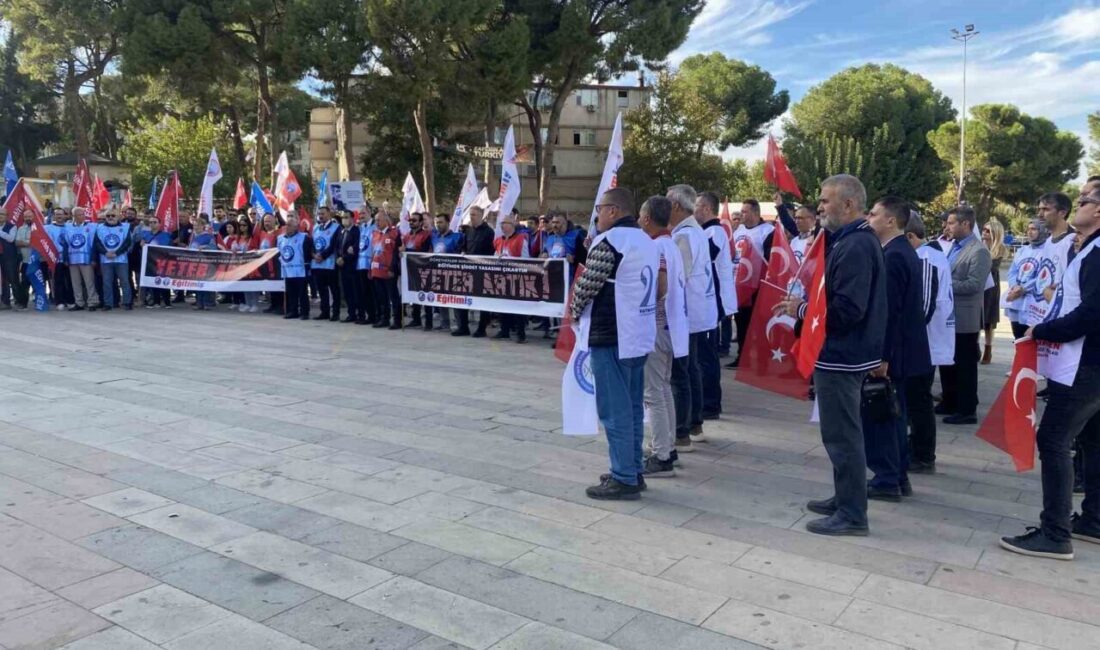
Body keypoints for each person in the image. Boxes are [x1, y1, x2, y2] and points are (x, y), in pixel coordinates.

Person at [777, 174, 886, 536]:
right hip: (839, 353)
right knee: (837, 433)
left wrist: (802, 309)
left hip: (844, 355)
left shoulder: (855, 245)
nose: (819, 207)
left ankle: (853, 514)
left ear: (849, 205)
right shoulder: (846, 241)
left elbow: (846, 310)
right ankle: (844, 497)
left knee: (843, 436)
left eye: (825, 201)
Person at [1001, 185, 1100, 561]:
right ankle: (1093, 519)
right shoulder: (1086, 248)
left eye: (1086, 201)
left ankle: (1055, 533)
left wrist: (1042, 331)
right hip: (1087, 362)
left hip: (1086, 365)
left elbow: (1091, 313)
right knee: (1093, 440)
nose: (1079, 204)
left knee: (1054, 441)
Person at [570, 187, 658, 500]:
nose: (596, 216)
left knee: (615, 410)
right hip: (638, 335)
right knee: (632, 408)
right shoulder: (647, 241)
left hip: (611, 335)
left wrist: (574, 313)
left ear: (612, 210)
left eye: (599, 209)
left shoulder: (610, 241)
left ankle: (624, 478)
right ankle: (631, 469)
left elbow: (586, 286)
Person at [863, 197, 932, 501]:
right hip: (905, 351)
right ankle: (898, 475)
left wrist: (882, 357)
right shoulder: (901, 251)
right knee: (895, 413)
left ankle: (887, 479)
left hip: (895, 353)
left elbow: (888, 312)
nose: (869, 217)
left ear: (891, 220)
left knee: (884, 416)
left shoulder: (893, 256)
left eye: (874, 214)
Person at [638, 196, 688, 477]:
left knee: (653, 393)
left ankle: (661, 456)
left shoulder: (654, 246)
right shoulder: (670, 244)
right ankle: (667, 445)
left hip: (657, 325)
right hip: (672, 325)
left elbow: (660, 285)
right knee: (663, 387)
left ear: (647, 219)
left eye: (640, 215)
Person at [667, 184, 715, 452]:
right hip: (698, 311)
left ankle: (681, 432)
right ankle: (694, 423)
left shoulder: (684, 235)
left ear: (675, 206)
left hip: (686, 313)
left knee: (680, 373)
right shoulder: (694, 231)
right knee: (691, 368)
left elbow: (678, 277)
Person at [905, 213, 953, 474]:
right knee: (916, 399)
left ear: (910, 236)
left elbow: (922, 309)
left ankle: (923, 455)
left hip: (922, 345)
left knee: (918, 400)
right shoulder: (930, 256)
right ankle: (919, 450)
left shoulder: (925, 258)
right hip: (923, 343)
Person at [936, 205, 993, 425]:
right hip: (949, 316)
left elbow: (974, 284)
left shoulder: (978, 251)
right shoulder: (953, 247)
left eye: (951, 223)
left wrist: (943, 284)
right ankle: (949, 400)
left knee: (965, 364)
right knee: (948, 361)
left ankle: (967, 408)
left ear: (965, 224)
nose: (947, 227)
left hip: (965, 318)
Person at [696, 190, 736, 420]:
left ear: (707, 209)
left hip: (714, 301)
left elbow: (704, 255)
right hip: (708, 300)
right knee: (703, 354)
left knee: (708, 355)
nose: (694, 210)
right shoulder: (705, 231)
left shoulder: (715, 232)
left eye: (697, 206)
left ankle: (711, 405)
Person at [729, 198, 774, 368]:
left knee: (758, 323)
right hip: (740, 284)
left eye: (745, 211)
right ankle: (743, 357)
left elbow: (771, 258)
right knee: (741, 321)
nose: (742, 215)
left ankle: (762, 361)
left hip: (758, 286)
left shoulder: (768, 231)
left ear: (755, 213)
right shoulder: (738, 230)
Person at [453, 205, 495, 337]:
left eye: (474, 214)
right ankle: (463, 327)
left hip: (482, 270)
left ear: (481, 215)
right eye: (470, 214)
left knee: (482, 301)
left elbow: (491, 251)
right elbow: (464, 247)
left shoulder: (489, 232)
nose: (471, 217)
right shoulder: (468, 231)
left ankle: (481, 328)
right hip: (467, 270)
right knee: (461, 298)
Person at [1004, 219, 1049, 339]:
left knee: (1030, 338)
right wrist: (1014, 286)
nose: (1030, 232)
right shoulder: (1022, 250)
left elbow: (1043, 275)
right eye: (1028, 229)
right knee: (1018, 337)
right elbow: (1012, 271)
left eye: (1034, 229)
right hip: (1016, 300)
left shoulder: (1048, 250)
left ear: (1042, 230)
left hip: (1033, 302)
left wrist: (1024, 288)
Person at [493, 213, 530, 343]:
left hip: (517, 278)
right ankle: (504, 331)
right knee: (503, 306)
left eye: (506, 223)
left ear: (513, 224)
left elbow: (526, 259)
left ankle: (521, 333)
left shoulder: (521, 239)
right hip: (502, 278)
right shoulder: (498, 240)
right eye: (502, 223)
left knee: (518, 307)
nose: (503, 226)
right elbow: (494, 256)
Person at [429, 212, 464, 331]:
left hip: (453, 273)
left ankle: (460, 325)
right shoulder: (434, 238)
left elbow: (462, 252)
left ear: (448, 223)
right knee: (441, 298)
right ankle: (445, 323)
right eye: (436, 222)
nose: (438, 225)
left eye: (440, 222)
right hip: (438, 273)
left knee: (455, 300)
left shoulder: (457, 237)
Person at [94, 211, 134, 311]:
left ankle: (127, 302)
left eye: (113, 215)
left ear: (119, 217)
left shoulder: (125, 226)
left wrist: (117, 253)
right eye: (108, 216)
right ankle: (108, 304)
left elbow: (128, 242)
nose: (110, 217)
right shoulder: (99, 227)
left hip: (121, 259)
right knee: (107, 282)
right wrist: (105, 252)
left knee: (124, 281)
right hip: (105, 259)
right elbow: (97, 242)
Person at [369, 209, 402, 329]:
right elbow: (374, 252)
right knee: (381, 297)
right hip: (376, 271)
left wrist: (392, 268)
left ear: (386, 221)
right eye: (376, 220)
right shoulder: (375, 234)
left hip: (389, 271)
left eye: (379, 220)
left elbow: (395, 253)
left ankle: (397, 320)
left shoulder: (394, 233)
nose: (376, 222)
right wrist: (370, 269)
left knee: (393, 297)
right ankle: (384, 319)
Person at [981, 218, 1007, 364]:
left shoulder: (1000, 248)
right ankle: (975, 347)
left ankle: (988, 349)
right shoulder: (978, 245)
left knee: (989, 320)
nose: (984, 233)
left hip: (991, 286)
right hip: (979, 284)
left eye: (988, 230)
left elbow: (992, 267)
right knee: (977, 317)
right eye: (983, 229)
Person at [278, 214, 313, 320]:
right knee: (290, 292)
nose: (286, 227)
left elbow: (308, 253)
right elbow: (279, 253)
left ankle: (304, 312)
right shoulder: (280, 238)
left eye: (289, 225)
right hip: (287, 270)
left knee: (302, 292)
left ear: (296, 226)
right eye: (286, 225)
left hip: (300, 270)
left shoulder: (304, 237)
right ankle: (293, 311)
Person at [64, 207, 98, 311]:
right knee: (75, 282)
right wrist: (65, 258)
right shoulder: (68, 227)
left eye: (83, 214)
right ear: (73, 216)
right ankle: (79, 302)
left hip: (86, 259)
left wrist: (93, 258)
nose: (82, 216)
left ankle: (92, 302)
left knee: (89, 282)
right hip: (72, 260)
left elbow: (94, 244)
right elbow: (65, 244)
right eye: (79, 214)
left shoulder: (91, 227)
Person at [311, 206, 341, 321]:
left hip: (330, 264)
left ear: (329, 214)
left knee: (334, 289)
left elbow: (334, 245)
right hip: (317, 264)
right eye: (319, 214)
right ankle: (324, 312)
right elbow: (312, 244)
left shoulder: (336, 227)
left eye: (323, 213)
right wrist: (314, 255)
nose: (321, 216)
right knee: (321, 290)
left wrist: (323, 256)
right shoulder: (316, 228)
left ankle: (336, 313)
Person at [402, 212, 432, 329]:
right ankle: (416, 319)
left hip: (423, 269)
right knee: (413, 294)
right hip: (410, 269)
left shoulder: (426, 235)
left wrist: (406, 250)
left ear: (420, 222)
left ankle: (428, 322)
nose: (411, 222)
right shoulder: (406, 236)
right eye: (410, 220)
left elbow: (423, 251)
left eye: (414, 220)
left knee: (425, 294)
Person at [139, 217, 173, 308]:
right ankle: (156, 301)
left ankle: (167, 302)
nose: (152, 224)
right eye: (150, 222)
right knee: (153, 281)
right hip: (150, 262)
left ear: (159, 224)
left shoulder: (165, 235)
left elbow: (167, 247)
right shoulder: (145, 235)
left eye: (155, 222)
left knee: (164, 281)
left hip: (162, 262)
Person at [45, 209, 74, 309]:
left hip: (71, 259)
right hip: (56, 259)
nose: (59, 216)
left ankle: (70, 300)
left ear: (65, 216)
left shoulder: (71, 227)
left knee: (70, 281)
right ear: (54, 216)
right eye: (57, 214)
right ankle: (59, 301)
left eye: (61, 214)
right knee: (58, 281)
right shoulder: (49, 228)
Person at [189, 217, 219, 310]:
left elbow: (214, 248)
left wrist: (205, 247)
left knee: (205, 284)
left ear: (202, 226)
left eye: (197, 225)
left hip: (206, 263)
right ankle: (199, 303)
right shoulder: (193, 237)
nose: (195, 227)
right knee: (197, 284)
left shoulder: (208, 236)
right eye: (194, 225)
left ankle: (207, 303)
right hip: (195, 263)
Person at [336, 211, 361, 323]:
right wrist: (338, 257)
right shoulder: (341, 232)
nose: (344, 219)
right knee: (347, 292)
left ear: (352, 219)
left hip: (352, 266)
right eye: (343, 217)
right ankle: (351, 314)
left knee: (356, 291)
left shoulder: (356, 231)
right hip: (343, 267)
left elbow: (355, 248)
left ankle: (359, 314)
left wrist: (344, 258)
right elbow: (337, 247)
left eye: (346, 217)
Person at [356, 210, 376, 325]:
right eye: (360, 214)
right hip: (360, 264)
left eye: (363, 213)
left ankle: (374, 316)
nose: (361, 216)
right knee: (363, 292)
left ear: (369, 213)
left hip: (370, 265)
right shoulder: (361, 227)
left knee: (372, 292)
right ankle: (368, 315)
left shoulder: (374, 227)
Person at [0, 208, 19, 309]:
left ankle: (19, 301)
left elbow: (11, 239)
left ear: (7, 216)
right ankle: (5, 302)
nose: (0, 216)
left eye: (2, 214)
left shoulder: (12, 226)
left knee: (12, 278)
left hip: (9, 257)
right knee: (3, 280)